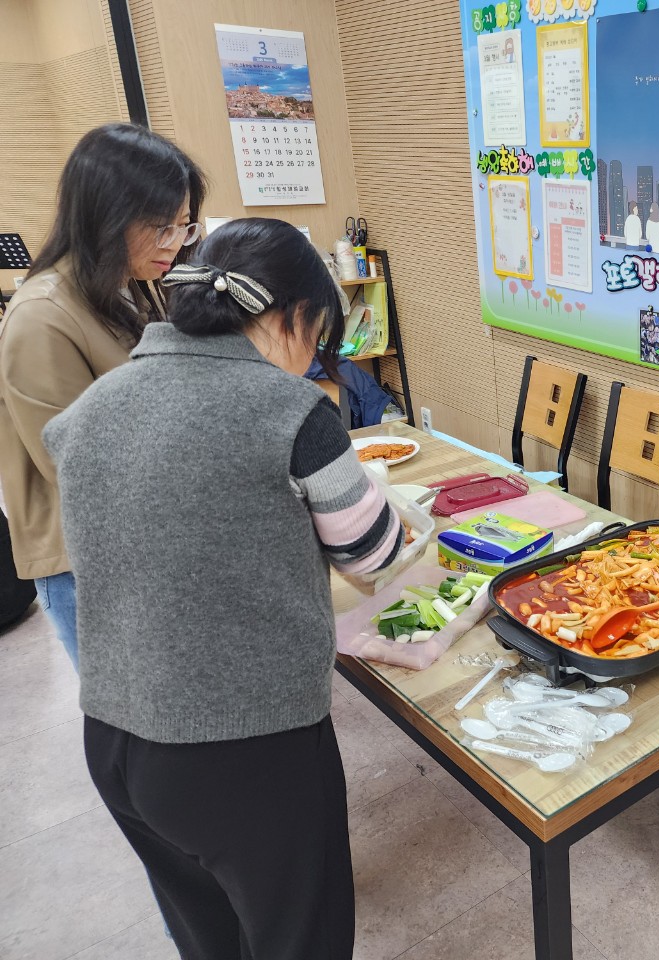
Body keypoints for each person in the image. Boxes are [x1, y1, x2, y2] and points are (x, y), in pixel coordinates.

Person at [44, 218, 404, 960]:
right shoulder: (291, 411)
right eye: (317, 335)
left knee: (210, 939)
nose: (313, 358)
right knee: (298, 939)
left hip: (115, 740)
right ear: (292, 316)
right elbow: (372, 553)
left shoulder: (93, 409)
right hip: (245, 750)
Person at [0, 123, 205, 669]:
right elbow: (78, 465)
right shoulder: (42, 316)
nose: (174, 243)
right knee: (131, 706)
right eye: (160, 226)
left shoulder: (124, 286)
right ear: (105, 216)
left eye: (183, 225)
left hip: (142, 537)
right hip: (87, 560)